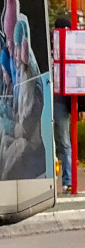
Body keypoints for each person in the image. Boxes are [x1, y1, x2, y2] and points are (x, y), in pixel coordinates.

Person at [54, 17, 75, 191]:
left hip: (61, 100)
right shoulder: (52, 48)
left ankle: (67, 181)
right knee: (61, 141)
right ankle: (65, 180)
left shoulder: (70, 49)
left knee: (64, 141)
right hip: (54, 98)